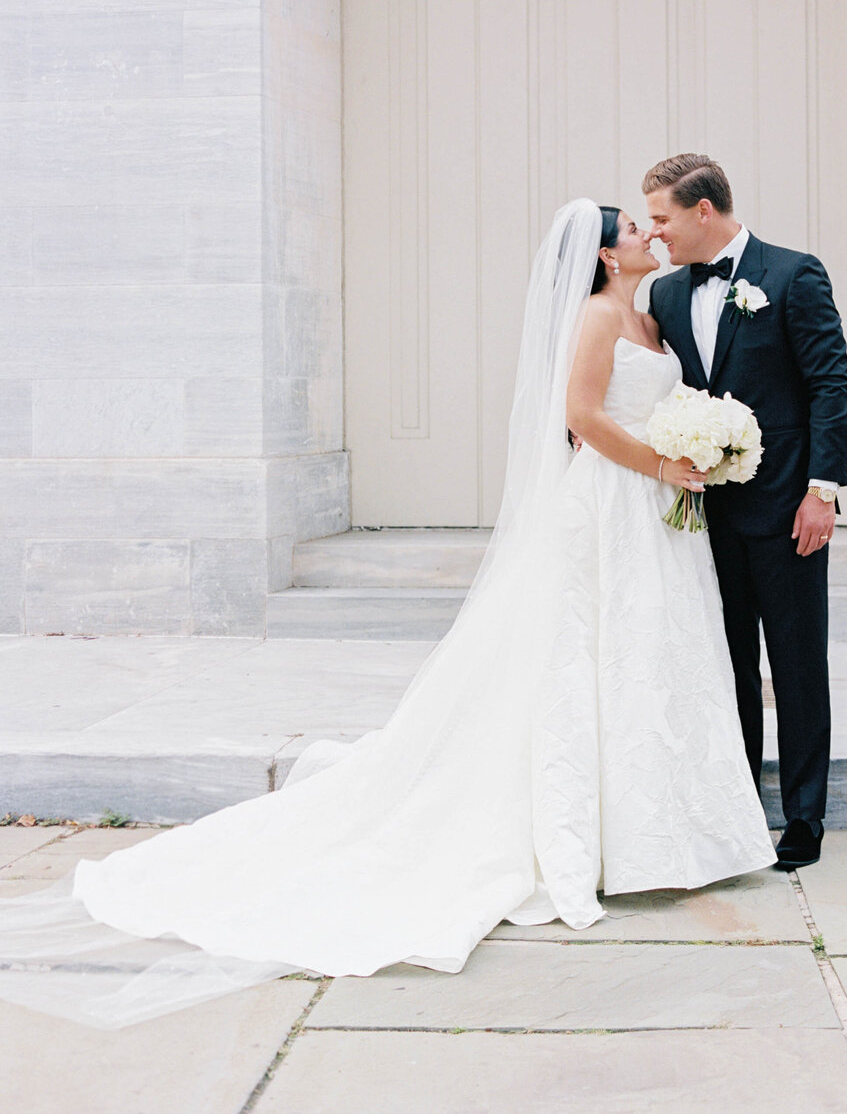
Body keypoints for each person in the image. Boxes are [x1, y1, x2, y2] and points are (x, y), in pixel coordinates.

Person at [0, 199, 774, 1029]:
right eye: (635, 229)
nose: (650, 234)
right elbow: (582, 417)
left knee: (651, 661)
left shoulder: (651, 317)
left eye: (652, 223)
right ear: (607, 255)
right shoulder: (593, 316)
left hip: (657, 513)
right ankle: (600, 837)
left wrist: (699, 448)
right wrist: (665, 459)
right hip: (615, 502)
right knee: (593, 657)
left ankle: (665, 832)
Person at [644, 155, 847, 871]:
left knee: (796, 667)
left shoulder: (795, 274)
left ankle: (804, 818)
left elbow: (831, 382)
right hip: (702, 519)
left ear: (704, 210)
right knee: (724, 666)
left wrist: (822, 491)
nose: (655, 231)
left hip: (789, 507)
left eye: (663, 217)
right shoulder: (666, 294)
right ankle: (737, 809)